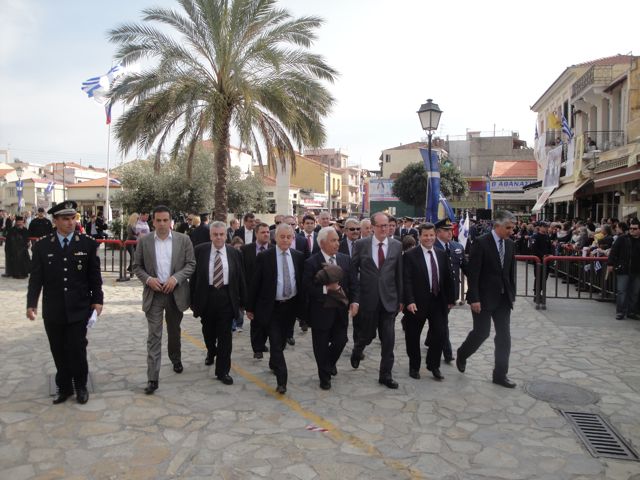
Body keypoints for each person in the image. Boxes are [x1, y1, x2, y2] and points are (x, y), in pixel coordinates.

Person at [27, 201, 103, 404]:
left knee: (77, 348)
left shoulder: (87, 244)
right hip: (53, 308)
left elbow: (94, 276)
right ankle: (65, 387)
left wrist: (98, 300)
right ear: (55, 221)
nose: (70, 223)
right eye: (65, 219)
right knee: (58, 349)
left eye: (72, 218)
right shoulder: (42, 246)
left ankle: (81, 386)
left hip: (79, 307)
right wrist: (31, 303)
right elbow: (36, 279)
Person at [132, 205, 196, 395]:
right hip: (154, 294)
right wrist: (148, 280)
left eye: (165, 220)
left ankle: (175, 358)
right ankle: (153, 378)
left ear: (170, 222)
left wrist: (176, 278)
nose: (162, 224)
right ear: (153, 222)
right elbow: (137, 266)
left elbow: (191, 264)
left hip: (175, 293)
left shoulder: (183, 240)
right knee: (154, 335)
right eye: (158, 220)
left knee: (174, 331)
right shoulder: (144, 241)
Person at [456, 210, 518, 388]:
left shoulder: (510, 244)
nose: (511, 231)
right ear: (497, 225)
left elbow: (510, 272)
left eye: (512, 228)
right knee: (482, 333)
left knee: (504, 337)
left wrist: (511, 293)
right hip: (483, 298)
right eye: (508, 228)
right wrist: (474, 298)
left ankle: (500, 375)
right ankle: (462, 353)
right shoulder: (481, 242)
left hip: (503, 299)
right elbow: (474, 273)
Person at [246, 223, 304, 394]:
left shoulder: (298, 256)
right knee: (276, 342)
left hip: (290, 307)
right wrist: (250, 307)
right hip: (271, 307)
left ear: (292, 238)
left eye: (288, 237)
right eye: (282, 237)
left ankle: (274, 362)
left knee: (282, 341)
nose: (285, 240)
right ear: (275, 238)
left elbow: (301, 282)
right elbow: (255, 283)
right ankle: (282, 381)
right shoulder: (265, 257)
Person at [350, 212, 403, 389]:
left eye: (386, 225)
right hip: (368, 299)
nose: (384, 229)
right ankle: (357, 350)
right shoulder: (361, 245)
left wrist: (400, 299)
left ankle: (385, 375)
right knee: (367, 335)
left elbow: (399, 274)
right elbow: (353, 272)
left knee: (388, 340)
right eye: (380, 226)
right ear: (372, 227)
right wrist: (355, 298)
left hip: (389, 300)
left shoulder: (396, 245)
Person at [190, 221, 246, 385]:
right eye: (215, 234)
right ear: (210, 236)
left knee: (225, 337)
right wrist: (192, 300)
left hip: (226, 297)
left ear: (226, 235)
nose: (219, 237)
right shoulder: (200, 251)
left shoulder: (234, 253)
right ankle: (211, 350)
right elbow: (194, 278)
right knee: (208, 332)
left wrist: (244, 302)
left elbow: (240, 278)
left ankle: (223, 371)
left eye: (221, 234)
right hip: (206, 297)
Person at [302, 227, 358, 390]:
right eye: (333, 240)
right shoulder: (312, 262)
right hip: (320, 311)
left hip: (341, 310)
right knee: (320, 345)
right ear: (322, 243)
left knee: (341, 340)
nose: (337, 244)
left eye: (337, 240)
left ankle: (328, 364)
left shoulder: (345, 259)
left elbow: (354, 283)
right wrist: (326, 289)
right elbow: (307, 286)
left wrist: (355, 302)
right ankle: (324, 377)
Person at [403, 222, 455, 380]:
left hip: (437, 301)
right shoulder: (410, 255)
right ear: (419, 237)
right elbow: (407, 280)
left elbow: (448, 278)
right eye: (425, 235)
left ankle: (433, 365)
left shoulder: (441, 254)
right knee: (413, 336)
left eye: (431, 235)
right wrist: (409, 300)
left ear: (435, 235)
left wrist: (451, 299)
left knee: (440, 334)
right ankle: (414, 366)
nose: (429, 238)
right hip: (416, 303)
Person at [429, 218, 468, 363]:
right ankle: (447, 352)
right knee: (442, 323)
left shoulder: (457, 246)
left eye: (451, 230)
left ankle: (430, 339)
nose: (450, 233)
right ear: (438, 232)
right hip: (436, 292)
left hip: (452, 292)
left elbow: (466, 267)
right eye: (446, 230)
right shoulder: (431, 246)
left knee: (439, 322)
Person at [241, 223, 272, 359]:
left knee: (267, 321)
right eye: (263, 232)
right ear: (256, 234)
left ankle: (262, 343)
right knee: (256, 321)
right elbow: (242, 272)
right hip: (252, 292)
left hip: (269, 292)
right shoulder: (246, 250)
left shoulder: (274, 249)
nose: (266, 234)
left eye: (268, 232)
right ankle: (257, 348)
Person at [607, 218, 640, 320]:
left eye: (634, 228)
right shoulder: (623, 238)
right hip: (623, 269)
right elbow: (613, 251)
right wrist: (610, 264)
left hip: (637, 271)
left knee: (635, 293)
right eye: (630, 228)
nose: (632, 230)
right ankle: (620, 312)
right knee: (622, 291)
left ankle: (631, 312)